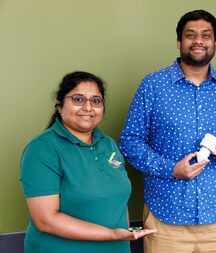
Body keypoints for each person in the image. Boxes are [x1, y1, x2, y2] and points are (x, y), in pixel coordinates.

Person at [120, 9, 216, 253]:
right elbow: (129, 141)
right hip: (167, 220)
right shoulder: (153, 85)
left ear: (215, 43)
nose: (198, 40)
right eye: (190, 35)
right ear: (179, 42)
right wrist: (171, 170)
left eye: (206, 35)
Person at [20, 71, 155, 253]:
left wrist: (120, 236)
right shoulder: (42, 149)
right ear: (60, 106)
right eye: (78, 99)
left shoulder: (108, 144)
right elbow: (46, 220)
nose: (88, 107)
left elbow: (119, 201)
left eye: (96, 101)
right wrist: (112, 234)